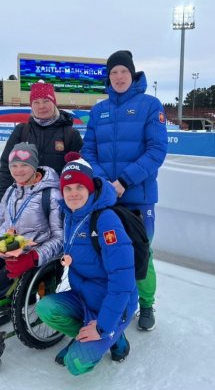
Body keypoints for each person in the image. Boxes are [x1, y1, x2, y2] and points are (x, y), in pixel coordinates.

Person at [81, 50, 168, 331]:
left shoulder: (151, 106)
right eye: (113, 72)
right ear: (108, 77)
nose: (119, 77)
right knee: (108, 253)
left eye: (123, 72)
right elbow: (88, 151)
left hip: (137, 199)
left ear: (133, 74)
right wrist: (105, 182)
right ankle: (115, 304)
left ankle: (146, 304)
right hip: (105, 198)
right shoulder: (98, 110)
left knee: (142, 253)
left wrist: (123, 182)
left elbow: (157, 150)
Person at [35, 153, 137, 376]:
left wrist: (102, 327)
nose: (73, 194)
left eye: (79, 187)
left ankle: (113, 336)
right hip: (85, 297)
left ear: (90, 188)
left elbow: (123, 280)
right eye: (68, 188)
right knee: (46, 308)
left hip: (113, 304)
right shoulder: (70, 214)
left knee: (76, 364)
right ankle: (85, 335)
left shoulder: (105, 220)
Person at [0, 142, 63, 288]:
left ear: (34, 167)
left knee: (1, 283)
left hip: (31, 253)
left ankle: (28, 304)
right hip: (7, 247)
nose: (18, 170)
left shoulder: (51, 195)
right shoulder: (11, 191)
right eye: (13, 166)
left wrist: (34, 257)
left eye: (24, 165)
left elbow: (60, 237)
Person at [0, 81, 83, 203]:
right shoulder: (22, 131)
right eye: (36, 102)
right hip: (23, 203)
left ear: (54, 103)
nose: (41, 106)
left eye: (46, 101)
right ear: (31, 106)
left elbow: (79, 173)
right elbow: (6, 168)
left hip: (57, 204)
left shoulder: (70, 134)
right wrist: (3, 201)